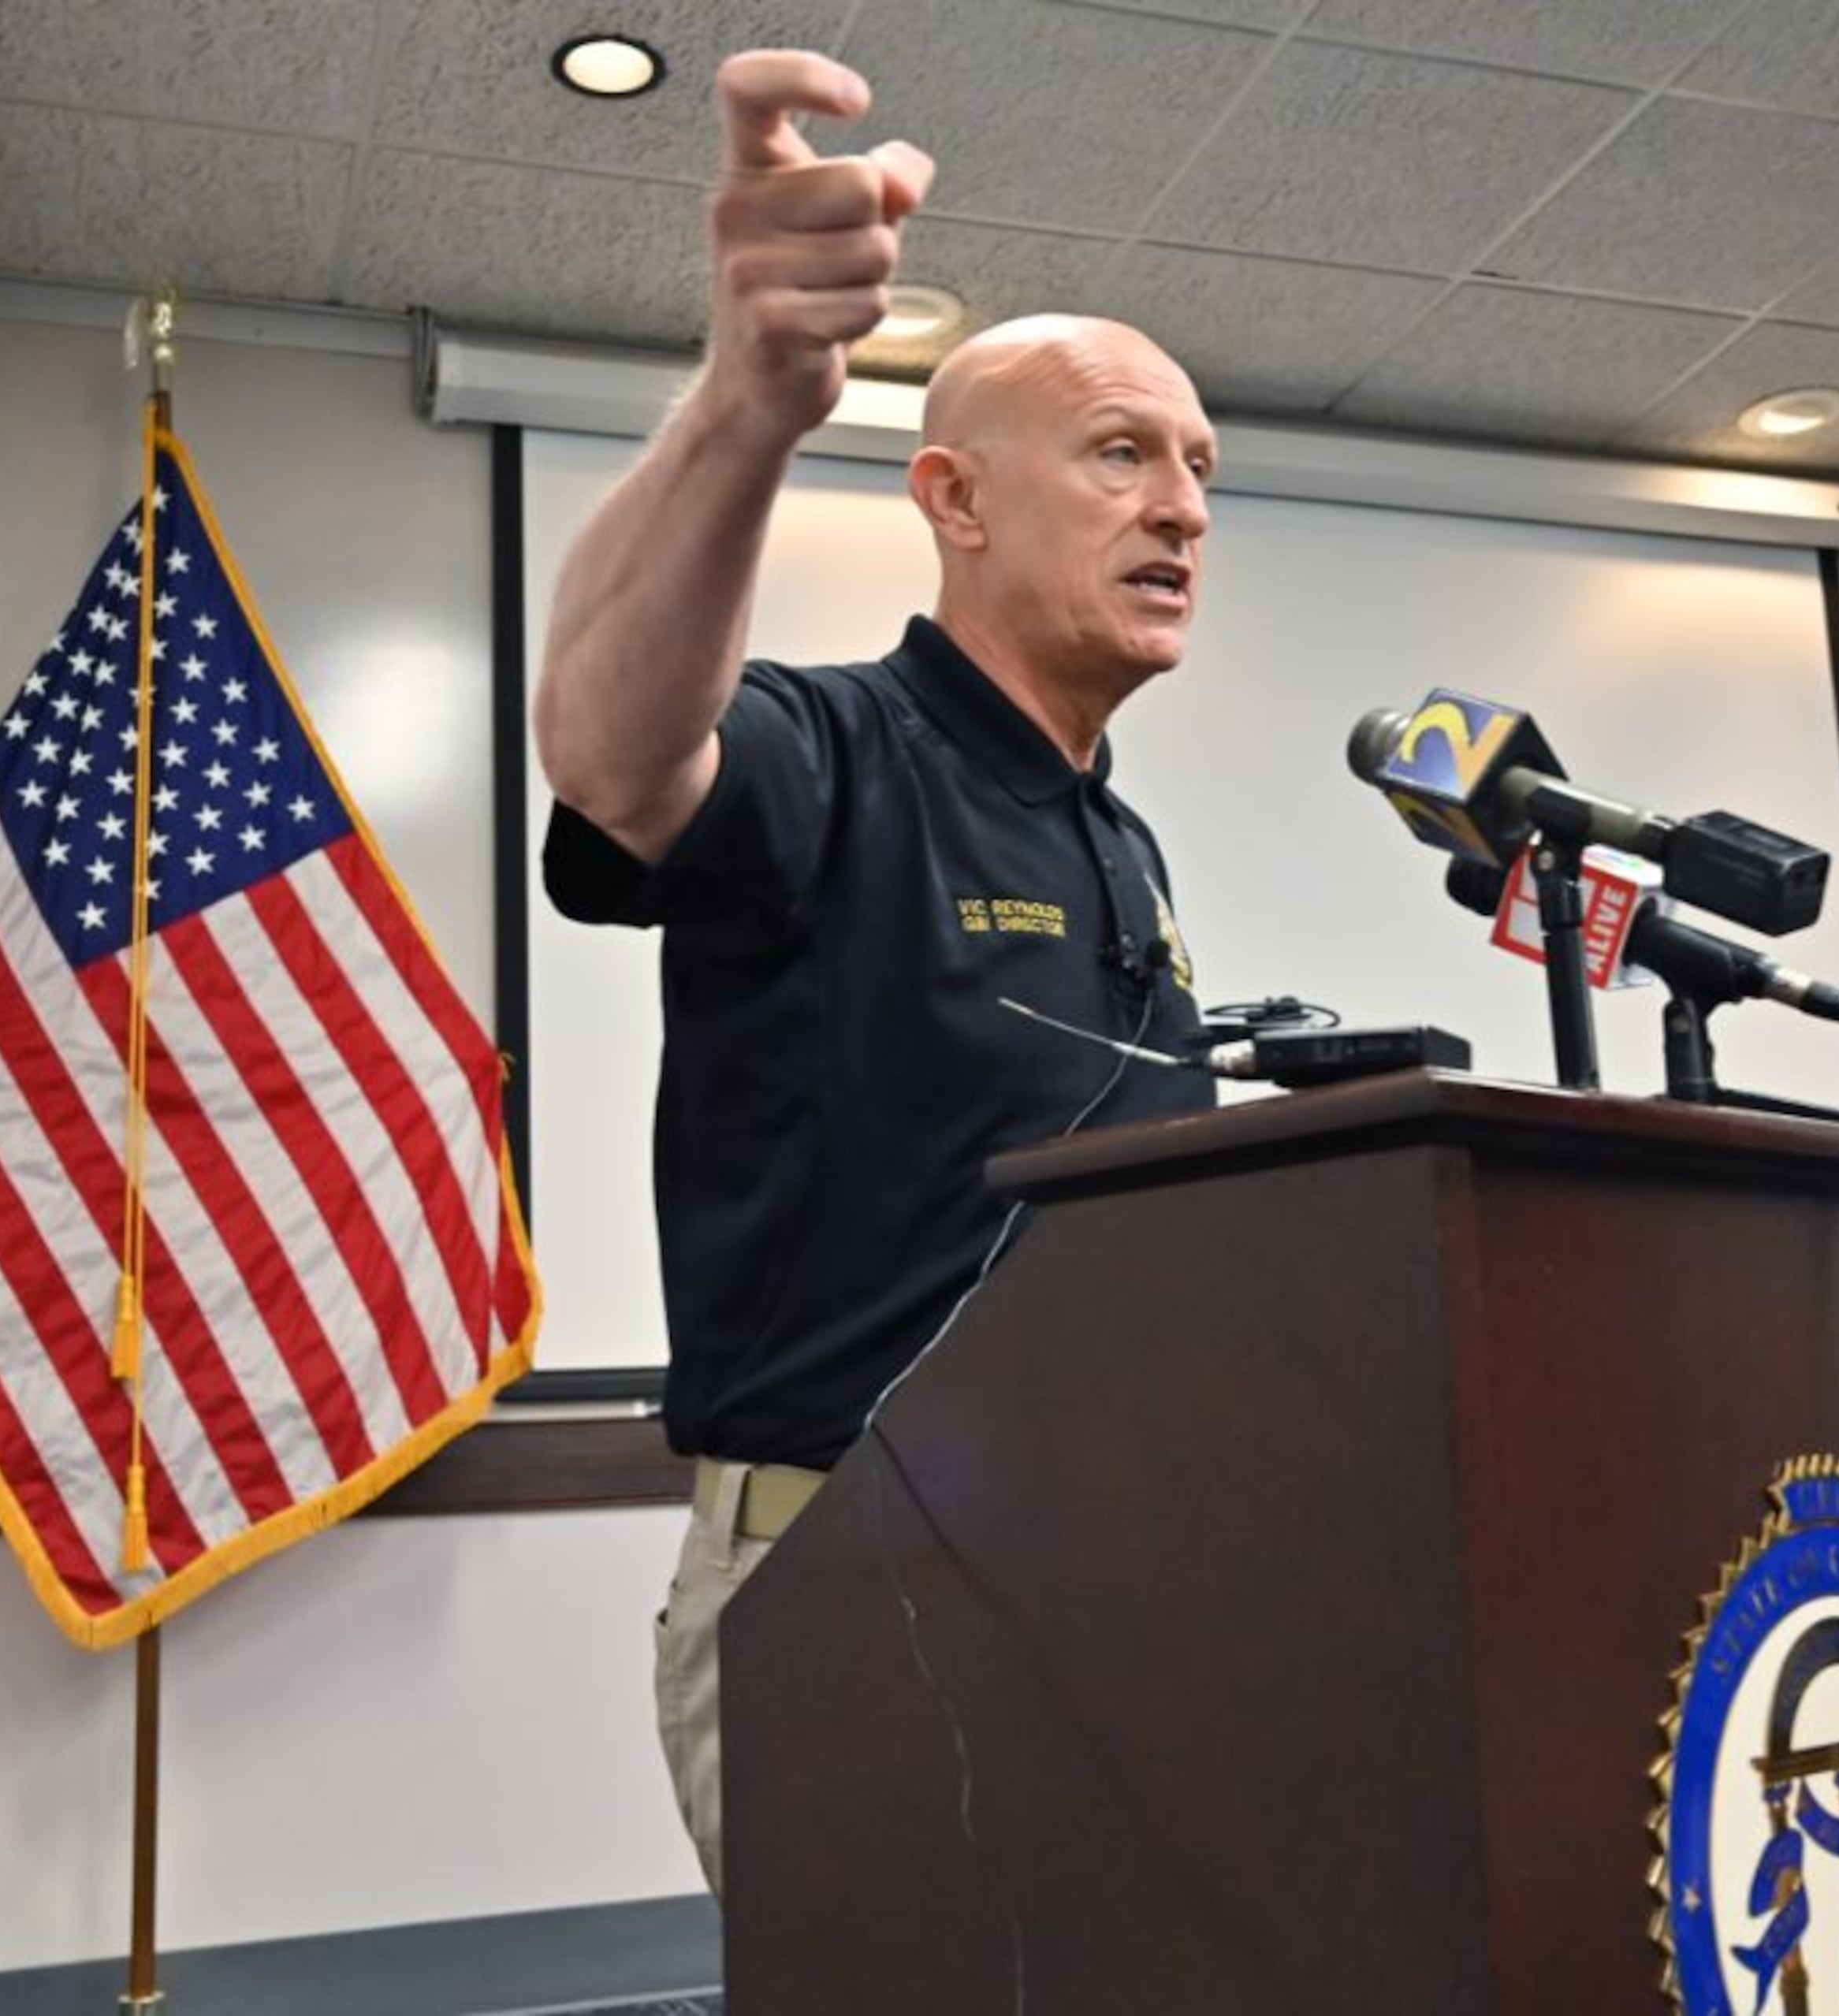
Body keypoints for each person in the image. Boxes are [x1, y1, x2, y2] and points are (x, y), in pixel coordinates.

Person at [530, 47, 1222, 1893]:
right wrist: (751, 407)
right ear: (957, 499)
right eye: (1122, 451)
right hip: (855, 1566)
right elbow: (608, 749)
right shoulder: (828, 752)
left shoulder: (1122, 845)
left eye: (1199, 469)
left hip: (1118, 1569)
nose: (1184, 506)